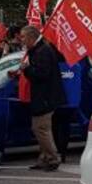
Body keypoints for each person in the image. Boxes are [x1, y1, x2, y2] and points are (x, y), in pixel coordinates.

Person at [15, 25, 64, 172]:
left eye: (23, 37)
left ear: (31, 37)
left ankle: (52, 158)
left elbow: (42, 74)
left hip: (45, 97)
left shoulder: (43, 51)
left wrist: (26, 69)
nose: (21, 40)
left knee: (40, 128)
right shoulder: (39, 50)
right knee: (41, 128)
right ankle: (44, 158)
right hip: (43, 96)